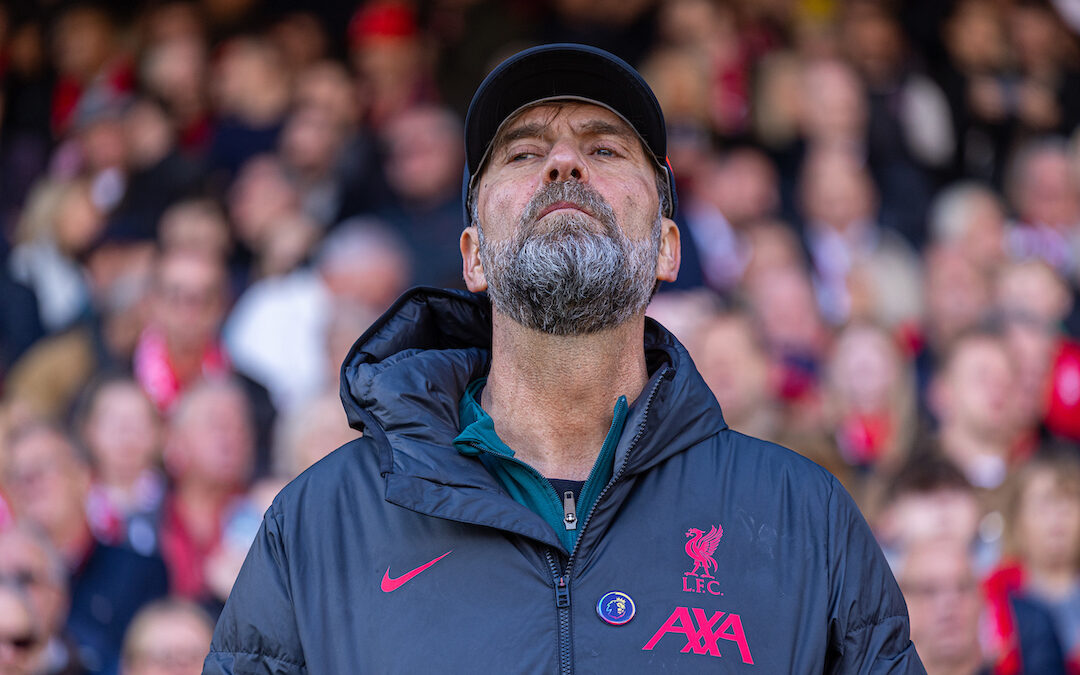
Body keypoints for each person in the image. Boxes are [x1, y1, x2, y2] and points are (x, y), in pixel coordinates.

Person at [206, 43, 921, 672]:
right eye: (522, 152)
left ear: (668, 248)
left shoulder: (804, 518)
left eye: (606, 148)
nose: (564, 162)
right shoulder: (319, 524)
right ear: (473, 256)